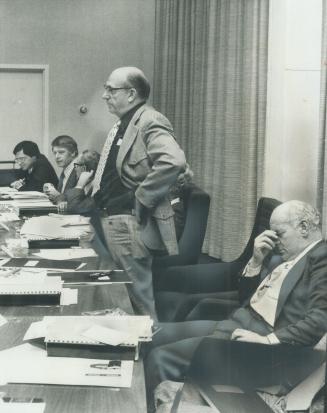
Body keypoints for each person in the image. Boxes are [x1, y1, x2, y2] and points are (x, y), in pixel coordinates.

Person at [145, 200, 327, 407]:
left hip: (259, 345)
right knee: (150, 335)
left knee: (159, 358)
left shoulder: (322, 258)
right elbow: (247, 299)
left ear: (303, 227)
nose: (275, 242)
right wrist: (257, 261)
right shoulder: (286, 255)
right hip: (237, 323)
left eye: (280, 234)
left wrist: (266, 341)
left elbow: (320, 320)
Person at [92, 66, 187, 319]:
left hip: (129, 223)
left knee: (139, 304)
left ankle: (150, 353)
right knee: (122, 300)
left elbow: (173, 161)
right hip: (112, 218)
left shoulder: (150, 119)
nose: (105, 95)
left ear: (131, 94)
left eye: (111, 89)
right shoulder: (125, 123)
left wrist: (141, 197)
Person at [57, 150, 100, 214]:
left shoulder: (97, 188)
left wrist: (79, 186)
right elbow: (63, 196)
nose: (75, 169)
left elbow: (74, 208)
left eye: (76, 165)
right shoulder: (82, 182)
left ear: (84, 168)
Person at [44, 135, 78, 203]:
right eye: (55, 153)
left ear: (73, 153)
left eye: (61, 152)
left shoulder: (79, 170)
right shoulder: (66, 169)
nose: (56, 157)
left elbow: (76, 202)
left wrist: (58, 196)